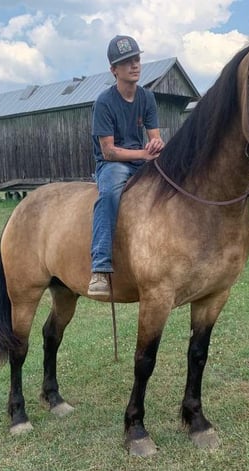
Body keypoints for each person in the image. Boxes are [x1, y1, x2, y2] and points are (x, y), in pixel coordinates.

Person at [88, 35, 165, 296]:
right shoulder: (104, 103)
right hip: (114, 164)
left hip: (141, 159)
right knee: (108, 195)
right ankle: (99, 268)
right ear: (114, 70)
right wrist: (143, 154)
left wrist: (155, 145)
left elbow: (155, 137)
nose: (135, 65)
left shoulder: (147, 98)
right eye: (126, 62)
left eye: (137, 59)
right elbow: (108, 152)